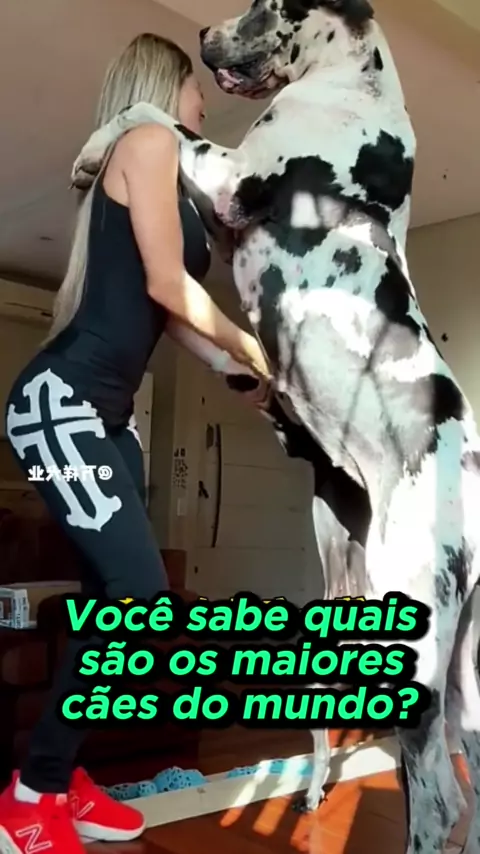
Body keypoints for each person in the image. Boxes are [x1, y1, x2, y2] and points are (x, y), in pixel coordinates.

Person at [0, 33, 271, 853]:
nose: (203, 103)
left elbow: (165, 311)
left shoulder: (168, 179)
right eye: (197, 86)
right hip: (62, 403)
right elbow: (166, 285)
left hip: (108, 419)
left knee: (108, 605)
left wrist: (231, 369)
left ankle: (62, 779)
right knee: (139, 595)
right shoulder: (147, 140)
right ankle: (30, 796)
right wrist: (249, 341)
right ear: (167, 82)